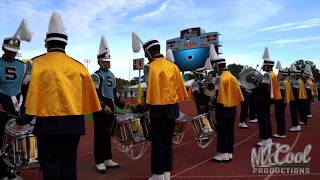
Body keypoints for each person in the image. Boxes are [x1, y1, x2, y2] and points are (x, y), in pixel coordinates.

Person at [23, 12, 101, 180]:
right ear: (65, 44)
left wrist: (24, 117)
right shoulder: (79, 67)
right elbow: (89, 100)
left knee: (50, 166)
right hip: (73, 125)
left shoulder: (35, 64)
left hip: (47, 124)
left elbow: (27, 94)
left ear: (47, 44)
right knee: (69, 164)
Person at [132, 32, 188, 180]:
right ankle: (167, 174)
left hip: (157, 109)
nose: (145, 57)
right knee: (168, 142)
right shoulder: (174, 66)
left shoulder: (149, 68)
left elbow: (150, 89)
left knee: (157, 142)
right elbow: (179, 89)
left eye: (146, 54)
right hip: (172, 109)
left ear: (149, 52)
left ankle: (157, 174)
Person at [0, 19, 32, 180]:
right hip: (1, 103)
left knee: (16, 140)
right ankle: (1, 172)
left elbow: (27, 88)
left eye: (14, 50)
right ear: (3, 48)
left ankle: (14, 172)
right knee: (1, 139)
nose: (11, 53)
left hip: (18, 104)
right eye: (9, 50)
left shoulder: (25, 65)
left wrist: (26, 106)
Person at [91, 36, 122, 173]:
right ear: (100, 61)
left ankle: (107, 158)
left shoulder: (112, 74)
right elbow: (94, 95)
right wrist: (104, 106)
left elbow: (114, 94)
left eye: (109, 61)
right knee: (99, 136)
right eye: (105, 61)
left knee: (108, 134)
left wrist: (122, 104)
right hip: (100, 110)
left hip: (110, 109)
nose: (108, 63)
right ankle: (99, 161)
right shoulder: (96, 76)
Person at [209, 46, 244, 162]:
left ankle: (222, 153)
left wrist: (211, 102)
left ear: (218, 66)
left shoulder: (219, 78)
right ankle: (229, 152)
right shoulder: (233, 77)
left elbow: (217, 94)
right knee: (230, 131)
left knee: (222, 131)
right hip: (233, 108)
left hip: (222, 108)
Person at [255, 47, 281, 146]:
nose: (262, 66)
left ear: (267, 65)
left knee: (263, 119)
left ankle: (265, 139)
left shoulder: (267, 75)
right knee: (266, 119)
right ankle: (268, 138)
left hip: (263, 100)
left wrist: (255, 85)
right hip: (268, 100)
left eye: (264, 65)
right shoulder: (273, 74)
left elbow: (263, 87)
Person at [274, 68, 294, 138]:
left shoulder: (282, 82)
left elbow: (281, 92)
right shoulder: (287, 81)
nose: (278, 75)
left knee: (279, 117)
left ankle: (281, 133)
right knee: (281, 117)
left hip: (281, 101)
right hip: (284, 101)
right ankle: (281, 133)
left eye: (279, 74)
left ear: (282, 74)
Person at [288, 64, 301, 132]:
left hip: (294, 98)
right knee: (294, 111)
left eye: (292, 73)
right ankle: (295, 125)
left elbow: (295, 91)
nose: (291, 74)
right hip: (294, 98)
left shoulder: (296, 81)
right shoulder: (296, 80)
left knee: (294, 112)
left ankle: (296, 125)